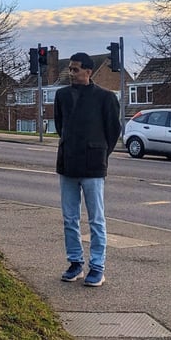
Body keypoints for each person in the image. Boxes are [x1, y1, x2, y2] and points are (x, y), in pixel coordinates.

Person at [53, 52, 121, 287]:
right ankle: (75, 263)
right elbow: (61, 126)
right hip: (68, 164)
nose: (71, 73)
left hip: (93, 166)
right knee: (69, 218)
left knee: (96, 220)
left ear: (88, 71)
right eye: (70, 69)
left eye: (75, 70)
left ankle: (97, 267)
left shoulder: (105, 98)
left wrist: (100, 152)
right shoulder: (62, 96)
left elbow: (113, 131)